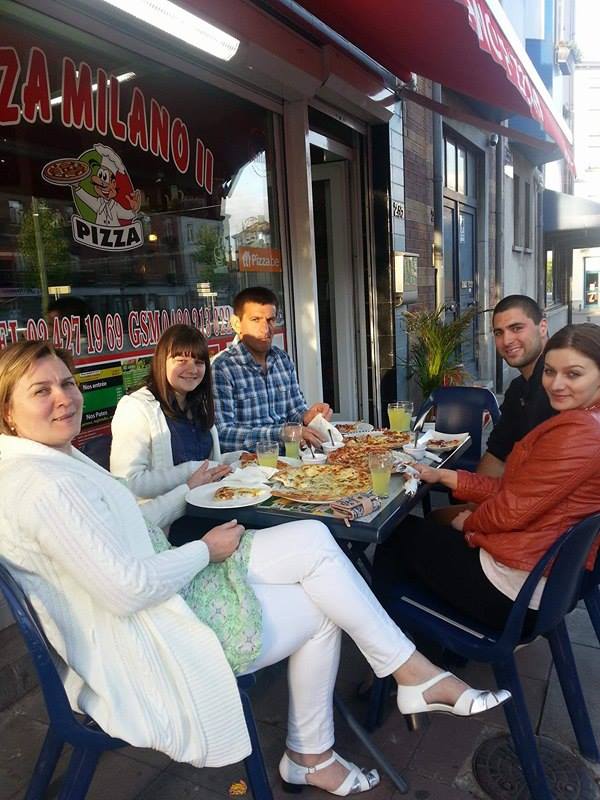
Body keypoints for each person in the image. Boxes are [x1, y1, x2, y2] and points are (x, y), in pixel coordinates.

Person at [0, 340, 508, 795]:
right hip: (144, 641)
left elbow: (132, 525)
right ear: (7, 411)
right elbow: (127, 590)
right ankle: (318, 749)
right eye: (41, 390)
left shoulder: (50, 462)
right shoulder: (45, 486)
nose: (63, 398)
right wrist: (205, 551)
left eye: (66, 383)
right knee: (325, 603)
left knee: (314, 538)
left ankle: (401, 681)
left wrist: (187, 495)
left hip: (160, 591)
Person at [376, 324, 600, 633]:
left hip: (515, 592)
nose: (556, 384)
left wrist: (468, 522)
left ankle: (395, 646)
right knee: (423, 534)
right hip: (540, 575)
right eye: (550, 372)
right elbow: (515, 491)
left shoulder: (580, 434)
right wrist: (443, 475)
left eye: (573, 374)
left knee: (395, 536)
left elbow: (510, 510)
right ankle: (425, 637)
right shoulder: (583, 421)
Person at [111, 324, 232, 544]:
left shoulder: (197, 404)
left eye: (199, 362)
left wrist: (237, 461)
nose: (192, 369)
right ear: (161, 361)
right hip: (166, 528)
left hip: (211, 510)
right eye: (181, 360)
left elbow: (207, 465)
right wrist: (189, 472)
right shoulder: (136, 407)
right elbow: (128, 483)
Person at [212, 286, 332, 452]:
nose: (265, 329)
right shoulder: (223, 368)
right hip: (249, 464)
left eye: (270, 320)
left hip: (294, 458)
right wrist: (281, 434)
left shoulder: (282, 360)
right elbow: (222, 435)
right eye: (255, 319)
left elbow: (295, 410)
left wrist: (307, 416)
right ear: (236, 324)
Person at [480, 294, 556, 478]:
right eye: (499, 333)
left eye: (516, 328)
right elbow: (497, 453)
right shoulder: (517, 389)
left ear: (542, 327)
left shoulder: (559, 388)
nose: (506, 341)